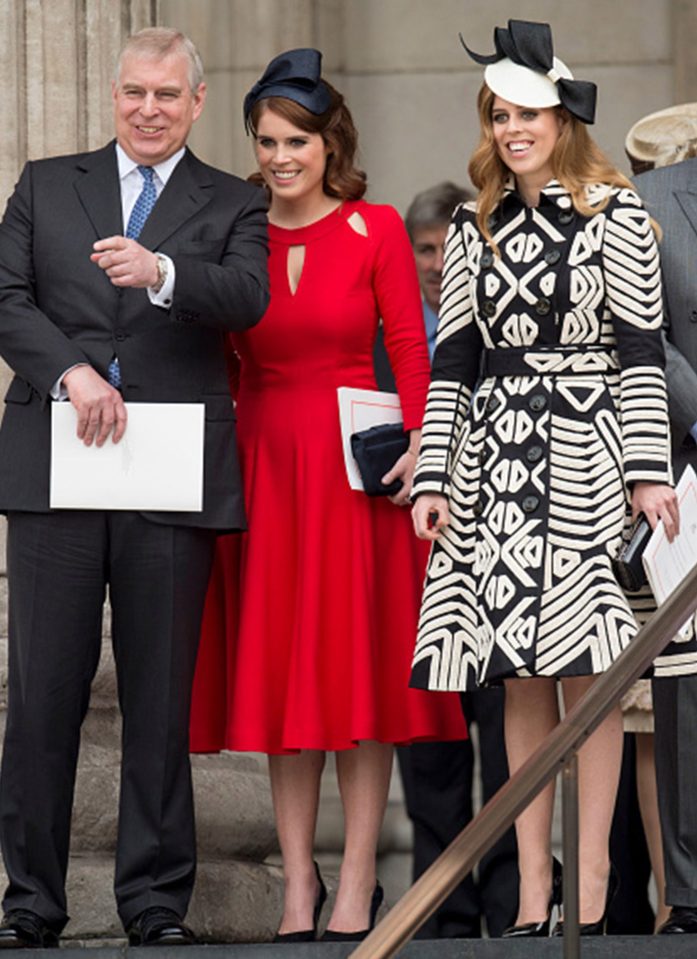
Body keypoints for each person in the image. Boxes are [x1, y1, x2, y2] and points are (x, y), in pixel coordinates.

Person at [189, 48, 466, 943]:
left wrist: (427, 445)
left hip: (355, 474)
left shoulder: (376, 227)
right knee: (283, 681)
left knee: (358, 676)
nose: (279, 156)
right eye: (266, 140)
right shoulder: (237, 231)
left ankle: (355, 883)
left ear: (328, 142)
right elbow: (218, 355)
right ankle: (297, 881)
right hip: (264, 463)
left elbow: (411, 347)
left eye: (296, 140)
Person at [409, 18, 679, 938]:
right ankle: (534, 892)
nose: (511, 130)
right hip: (492, 459)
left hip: (587, 456)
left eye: (527, 114)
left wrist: (646, 471)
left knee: (590, 674)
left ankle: (594, 887)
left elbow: (642, 352)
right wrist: (433, 474)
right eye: (498, 116)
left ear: (563, 119)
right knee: (515, 673)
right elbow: (451, 364)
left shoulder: (617, 214)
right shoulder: (471, 226)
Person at [0, 27, 269, 948]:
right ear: (112, 97)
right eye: (133, 94)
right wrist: (72, 373)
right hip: (58, 453)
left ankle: (155, 903)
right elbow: (6, 298)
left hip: (168, 467)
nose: (147, 109)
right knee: (43, 691)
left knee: (161, 693)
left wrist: (162, 274)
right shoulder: (46, 181)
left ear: (196, 103)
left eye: (166, 95)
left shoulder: (232, 199)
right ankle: (30, 900)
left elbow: (246, 298)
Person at [379, 181, 518, 939]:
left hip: (497, 555)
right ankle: (440, 913)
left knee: (504, 741)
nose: (435, 264)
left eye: (446, 248)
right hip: (410, 556)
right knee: (427, 745)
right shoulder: (382, 336)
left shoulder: (506, 320)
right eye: (424, 250)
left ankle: (512, 899)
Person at [631, 106, 697, 935]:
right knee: (684, 689)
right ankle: (689, 887)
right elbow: (641, 333)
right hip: (687, 461)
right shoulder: (650, 200)